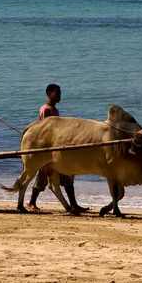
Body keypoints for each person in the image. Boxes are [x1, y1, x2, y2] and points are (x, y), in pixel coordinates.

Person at [26, 84, 88, 214]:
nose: (60, 96)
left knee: (67, 176)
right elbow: (45, 131)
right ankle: (31, 202)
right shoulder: (45, 110)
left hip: (56, 148)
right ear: (49, 94)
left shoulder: (55, 110)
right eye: (57, 93)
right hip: (47, 149)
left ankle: (73, 204)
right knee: (41, 176)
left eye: (60, 93)